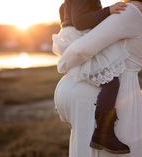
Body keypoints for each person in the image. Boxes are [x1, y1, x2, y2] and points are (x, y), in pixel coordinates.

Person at [54, 0, 142, 156]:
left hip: (102, 103)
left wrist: (63, 63)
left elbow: (79, 51)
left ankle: (103, 133)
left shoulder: (132, 11)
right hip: (123, 96)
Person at [52, 0, 130, 154]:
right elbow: (81, 22)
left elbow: (64, 12)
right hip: (80, 35)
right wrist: (109, 11)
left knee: (98, 74)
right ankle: (103, 133)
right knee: (111, 82)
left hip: (73, 35)